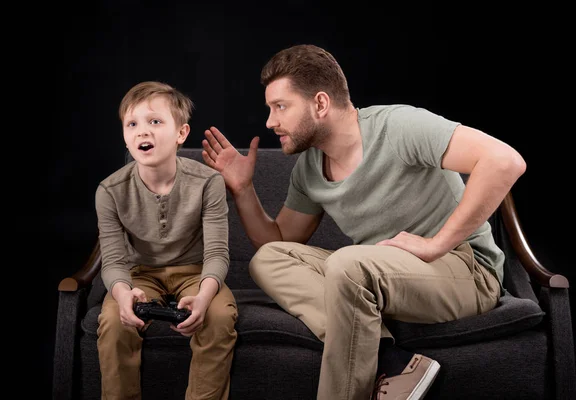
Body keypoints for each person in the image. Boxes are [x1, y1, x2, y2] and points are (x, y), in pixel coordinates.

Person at [202, 44, 526, 400]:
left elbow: (504, 160)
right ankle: (391, 359)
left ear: (320, 104)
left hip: (465, 271)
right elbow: (277, 241)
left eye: (280, 106)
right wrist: (244, 189)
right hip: (375, 271)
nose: (270, 121)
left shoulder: (399, 127)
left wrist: (436, 244)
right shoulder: (310, 167)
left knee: (348, 263)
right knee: (268, 260)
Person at [95, 81, 238, 400]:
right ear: (125, 135)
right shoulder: (109, 191)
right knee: (114, 323)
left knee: (218, 316)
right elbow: (115, 260)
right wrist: (122, 293)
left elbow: (217, 252)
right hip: (139, 274)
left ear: (181, 133)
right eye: (132, 124)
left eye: (155, 121)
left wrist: (203, 295)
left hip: (196, 271)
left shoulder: (208, 182)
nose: (142, 132)